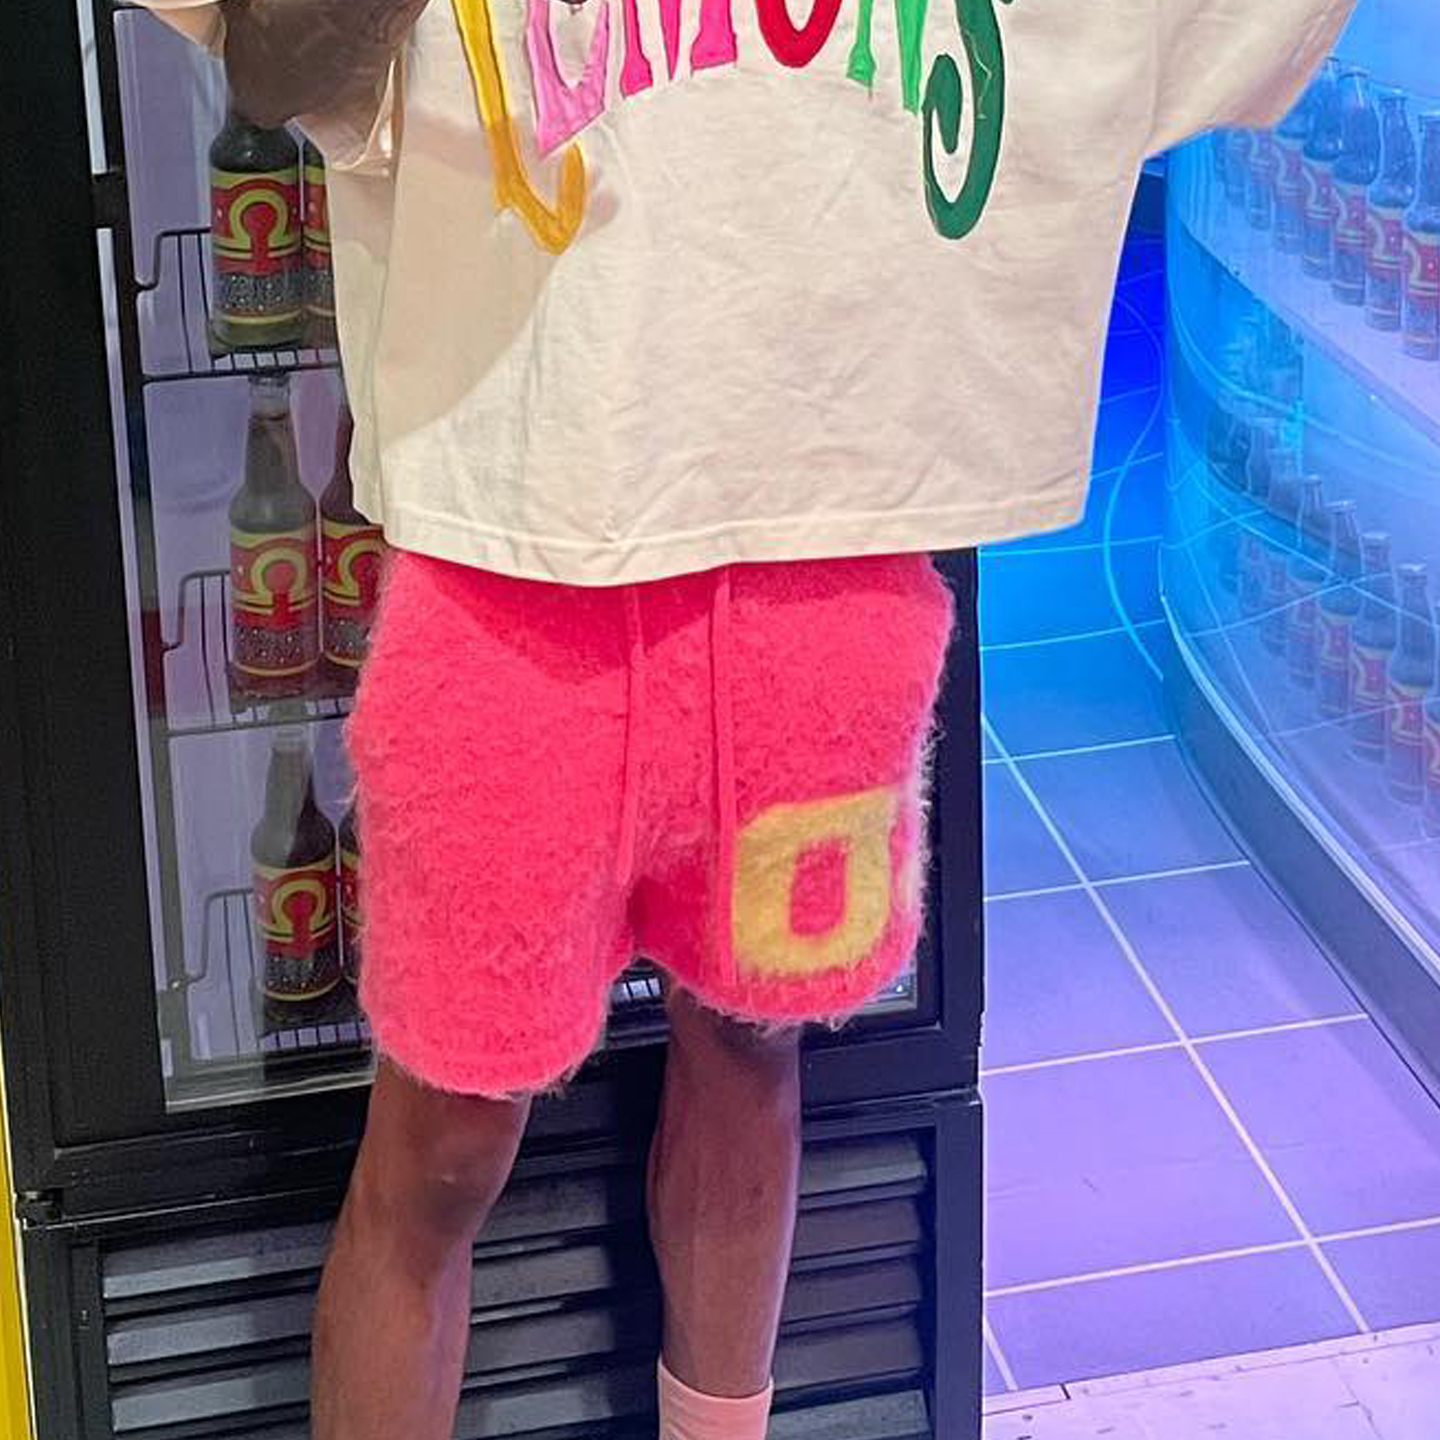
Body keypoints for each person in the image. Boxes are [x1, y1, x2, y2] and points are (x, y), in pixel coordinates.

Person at [143, 0, 1357, 1436]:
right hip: (510, 554)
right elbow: (279, 60)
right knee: (443, 1131)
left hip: (819, 552)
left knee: (756, 1041)